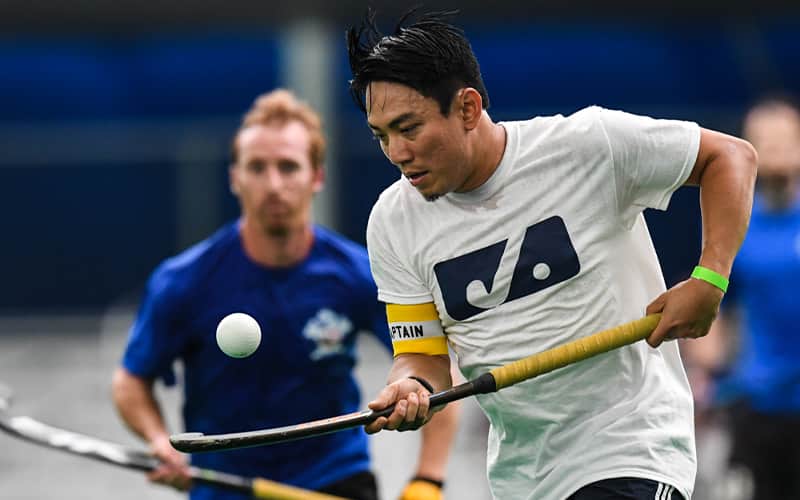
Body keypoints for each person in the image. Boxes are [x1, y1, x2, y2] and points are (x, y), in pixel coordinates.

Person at [345, 10, 758, 500]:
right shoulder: (393, 222)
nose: (396, 152)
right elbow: (423, 356)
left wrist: (710, 279)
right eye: (381, 135)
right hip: (523, 476)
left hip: (632, 446)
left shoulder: (588, 145)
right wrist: (412, 386)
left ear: (468, 108)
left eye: (408, 128)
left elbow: (730, 157)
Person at [111, 88, 459, 500]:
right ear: (235, 177)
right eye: (257, 167)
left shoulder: (360, 274)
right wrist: (157, 441)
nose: (273, 185)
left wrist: (428, 479)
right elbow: (131, 382)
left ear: (316, 177)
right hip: (223, 487)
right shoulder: (183, 281)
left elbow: (434, 371)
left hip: (335, 479)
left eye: (288, 167)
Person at [683, 96, 800, 500]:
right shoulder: (735, 225)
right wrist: (705, 366)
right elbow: (717, 310)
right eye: (765, 142)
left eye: (786, 140)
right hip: (757, 405)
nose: (777, 151)